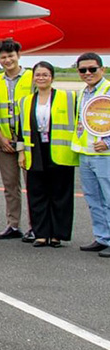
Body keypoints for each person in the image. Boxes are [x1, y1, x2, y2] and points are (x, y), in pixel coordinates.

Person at [18, 61, 77, 248]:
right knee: (37, 193)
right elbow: (21, 130)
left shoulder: (68, 97)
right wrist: (21, 153)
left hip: (60, 150)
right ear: (33, 78)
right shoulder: (25, 101)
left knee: (61, 194)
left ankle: (58, 234)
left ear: (52, 77)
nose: (41, 78)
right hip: (35, 151)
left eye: (45, 75)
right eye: (38, 75)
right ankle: (41, 233)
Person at [0, 38, 34, 241]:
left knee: (33, 185)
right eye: (3, 57)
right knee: (10, 186)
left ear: (18, 55)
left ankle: (35, 225)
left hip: (29, 141)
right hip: (5, 140)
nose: (7, 60)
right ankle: (13, 224)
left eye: (10, 56)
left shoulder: (32, 77)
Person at [72, 52, 110, 257]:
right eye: (82, 70)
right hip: (86, 154)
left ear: (102, 70)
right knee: (93, 198)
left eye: (92, 69)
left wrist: (107, 142)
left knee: (109, 198)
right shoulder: (83, 93)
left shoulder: (108, 90)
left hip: (105, 154)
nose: (87, 73)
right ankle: (102, 237)